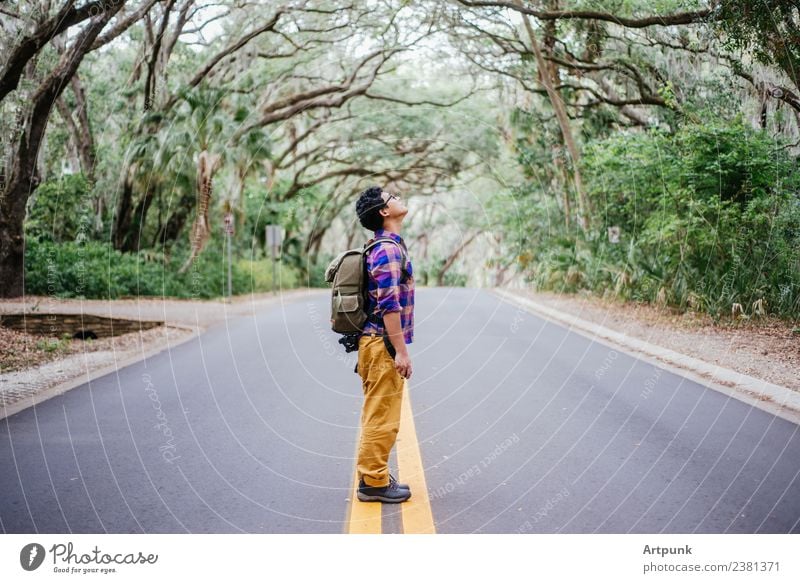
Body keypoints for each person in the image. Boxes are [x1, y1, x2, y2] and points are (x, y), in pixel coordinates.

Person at [353, 186, 415, 503]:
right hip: (380, 343)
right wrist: (400, 351)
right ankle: (372, 483)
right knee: (382, 416)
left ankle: (374, 474)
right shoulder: (387, 250)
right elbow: (389, 305)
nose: (398, 197)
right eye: (392, 196)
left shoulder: (384, 246)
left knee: (380, 412)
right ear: (383, 211)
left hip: (375, 341)